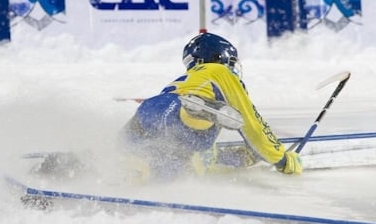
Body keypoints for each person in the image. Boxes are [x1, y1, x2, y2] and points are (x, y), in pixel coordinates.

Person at [121, 32, 302, 180]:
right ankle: (195, 115)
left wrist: (243, 158)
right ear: (219, 57)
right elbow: (252, 123)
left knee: (177, 158)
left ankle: (132, 167)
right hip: (180, 111)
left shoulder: (183, 79)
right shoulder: (220, 71)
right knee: (199, 136)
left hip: (151, 110)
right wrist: (281, 159)